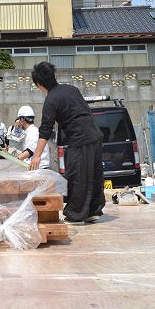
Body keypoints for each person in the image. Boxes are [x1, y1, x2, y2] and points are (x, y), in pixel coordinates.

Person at [29, 61, 105, 224]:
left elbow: (45, 129)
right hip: (95, 135)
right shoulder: (71, 89)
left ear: (39, 84)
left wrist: (36, 156)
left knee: (77, 176)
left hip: (80, 139)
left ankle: (75, 214)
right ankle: (93, 211)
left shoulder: (51, 99)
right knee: (94, 174)